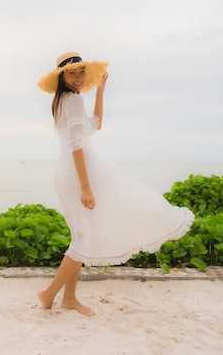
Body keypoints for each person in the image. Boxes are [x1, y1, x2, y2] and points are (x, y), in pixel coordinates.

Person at [37, 52, 195, 316]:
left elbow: (94, 126)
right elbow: (77, 146)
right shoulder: (72, 101)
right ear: (62, 76)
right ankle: (49, 294)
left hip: (68, 173)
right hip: (77, 174)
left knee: (81, 236)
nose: (77, 78)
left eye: (81, 72)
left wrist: (100, 92)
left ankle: (69, 298)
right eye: (72, 73)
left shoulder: (65, 101)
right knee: (84, 237)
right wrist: (86, 187)